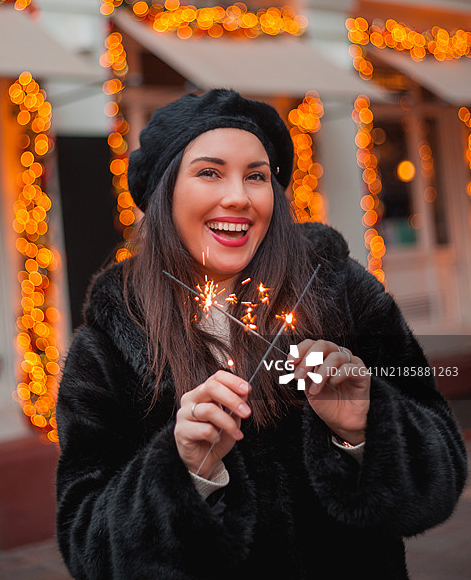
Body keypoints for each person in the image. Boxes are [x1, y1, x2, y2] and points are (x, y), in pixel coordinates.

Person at [56, 89, 467, 580]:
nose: (239, 196)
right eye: (210, 172)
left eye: (257, 176)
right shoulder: (108, 345)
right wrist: (185, 470)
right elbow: (89, 551)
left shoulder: (342, 293)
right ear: (164, 194)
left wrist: (364, 428)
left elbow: (441, 478)